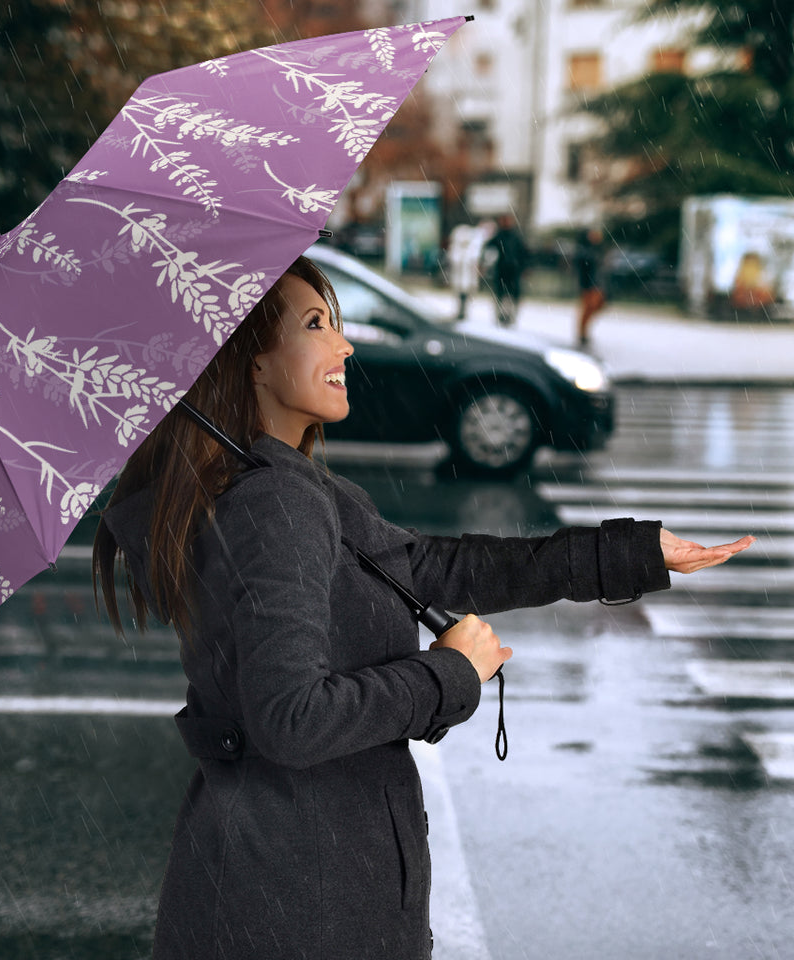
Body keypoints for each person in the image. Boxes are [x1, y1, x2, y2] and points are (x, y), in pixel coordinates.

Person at [93, 256, 753, 960]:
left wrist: (630, 554)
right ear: (251, 363)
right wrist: (447, 673)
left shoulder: (286, 489)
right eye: (316, 325)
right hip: (300, 903)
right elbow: (291, 720)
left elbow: (437, 567)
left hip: (286, 884)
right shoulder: (273, 504)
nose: (344, 345)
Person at [482, 213, 529, 327]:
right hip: (502, 270)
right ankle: (501, 315)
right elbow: (488, 249)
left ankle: (509, 316)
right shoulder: (499, 236)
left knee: (511, 295)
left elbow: (524, 253)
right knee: (501, 294)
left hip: (513, 271)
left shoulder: (515, 237)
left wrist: (524, 267)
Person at [575, 226, 607, 347]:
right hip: (589, 284)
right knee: (588, 308)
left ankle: (584, 331)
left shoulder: (597, 249)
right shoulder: (585, 250)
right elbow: (584, 265)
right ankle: (582, 333)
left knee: (596, 306)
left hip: (597, 283)